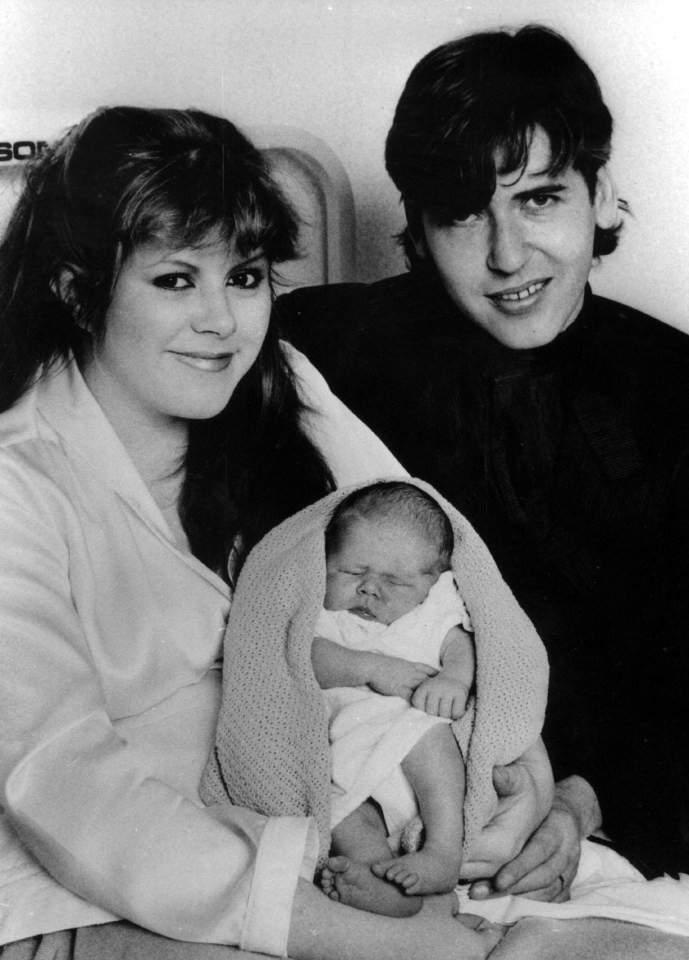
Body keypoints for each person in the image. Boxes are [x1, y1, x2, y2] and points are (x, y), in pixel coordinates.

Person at [0, 105, 505, 960]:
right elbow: (60, 783)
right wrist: (349, 934)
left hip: (330, 826)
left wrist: (523, 773)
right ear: (77, 289)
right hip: (94, 893)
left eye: (243, 277)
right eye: (173, 280)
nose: (222, 322)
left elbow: (433, 561)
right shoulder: (19, 485)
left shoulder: (285, 384)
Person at [278, 23, 689, 899]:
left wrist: (583, 805)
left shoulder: (676, 392)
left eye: (538, 198)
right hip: (366, 796)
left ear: (600, 195)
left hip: (602, 824)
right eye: (464, 213)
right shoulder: (326, 349)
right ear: (419, 232)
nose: (506, 257)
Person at [313, 481, 475, 912]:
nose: (369, 590)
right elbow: (305, 657)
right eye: (351, 573)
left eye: (394, 581)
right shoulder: (324, 618)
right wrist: (371, 668)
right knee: (339, 813)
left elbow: (459, 645)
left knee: (429, 736)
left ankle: (442, 851)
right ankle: (380, 881)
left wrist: (454, 681)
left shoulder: (430, 614)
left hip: (412, 746)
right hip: (344, 762)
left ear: (430, 584)